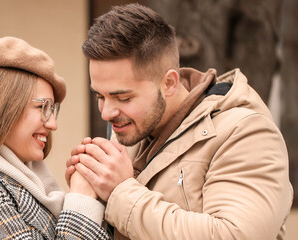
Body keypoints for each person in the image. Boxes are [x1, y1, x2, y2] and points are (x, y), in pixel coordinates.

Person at [66, 3, 293, 240]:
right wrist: (90, 197)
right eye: (100, 96)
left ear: (170, 83)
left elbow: (234, 236)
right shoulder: (130, 130)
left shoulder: (246, 133)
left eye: (123, 97)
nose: (106, 112)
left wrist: (119, 192)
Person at [0, 36, 110, 240]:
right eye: (42, 107)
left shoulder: (29, 182)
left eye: (53, 110)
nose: (53, 124)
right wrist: (81, 200)